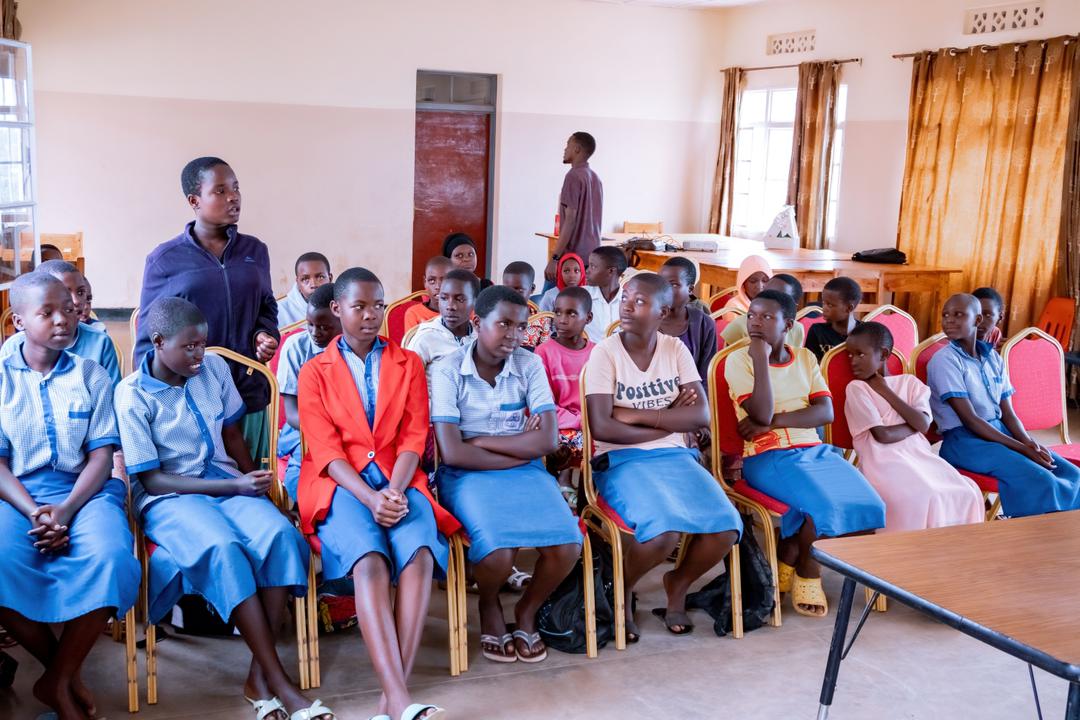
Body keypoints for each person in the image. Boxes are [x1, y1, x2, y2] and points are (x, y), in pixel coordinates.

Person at [116, 297, 331, 720]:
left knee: (279, 535)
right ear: (158, 342)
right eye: (189, 347)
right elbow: (152, 479)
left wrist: (257, 488)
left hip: (225, 479)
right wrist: (232, 484)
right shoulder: (131, 395)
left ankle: (258, 677)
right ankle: (282, 684)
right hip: (169, 496)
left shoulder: (213, 369)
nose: (200, 355)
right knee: (224, 548)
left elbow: (232, 435)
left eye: (203, 344)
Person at [297, 268, 453, 720]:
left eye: (378, 306)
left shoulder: (407, 363)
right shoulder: (315, 372)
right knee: (370, 562)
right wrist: (370, 498)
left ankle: (393, 698)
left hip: (400, 480)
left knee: (419, 553)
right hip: (340, 483)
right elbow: (324, 450)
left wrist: (395, 489)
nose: (371, 316)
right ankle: (401, 699)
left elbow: (413, 436)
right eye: (360, 306)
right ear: (337, 309)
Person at [0, 273, 140, 720]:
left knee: (114, 560)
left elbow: (102, 455)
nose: (64, 319)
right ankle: (62, 674)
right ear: (19, 321)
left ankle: (56, 681)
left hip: (85, 491)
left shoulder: (91, 374)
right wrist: (35, 512)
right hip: (16, 494)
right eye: (47, 312)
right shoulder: (2, 380)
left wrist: (64, 511)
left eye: (69, 307)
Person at [585, 273, 742, 639]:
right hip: (621, 460)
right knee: (662, 534)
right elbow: (603, 428)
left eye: (639, 301)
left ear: (663, 311)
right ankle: (621, 588)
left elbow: (700, 416)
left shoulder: (675, 350)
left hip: (675, 458)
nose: (626, 305)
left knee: (725, 527)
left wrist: (636, 414)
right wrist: (670, 418)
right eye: (625, 298)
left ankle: (678, 583)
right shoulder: (605, 353)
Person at [431, 286, 581, 664]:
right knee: (498, 552)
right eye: (504, 324)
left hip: (523, 471)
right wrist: (518, 445)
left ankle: (527, 610)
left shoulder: (529, 365)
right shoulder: (448, 370)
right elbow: (451, 452)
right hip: (465, 476)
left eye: (520, 326)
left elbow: (547, 440)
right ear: (478, 323)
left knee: (567, 546)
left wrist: (481, 441)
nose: (513, 335)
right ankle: (490, 603)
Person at [726, 289, 884, 617]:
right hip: (767, 456)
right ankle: (808, 574)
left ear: (788, 324)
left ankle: (789, 553)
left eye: (767, 317)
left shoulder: (806, 358)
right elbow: (759, 413)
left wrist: (773, 421)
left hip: (813, 450)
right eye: (752, 315)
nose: (755, 322)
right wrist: (759, 358)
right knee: (821, 505)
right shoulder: (739, 360)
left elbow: (824, 413)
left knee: (870, 504)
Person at [135, 157, 280, 460]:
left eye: (236, 188)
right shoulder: (165, 259)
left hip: (248, 387)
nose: (233, 197)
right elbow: (149, 336)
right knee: (201, 483)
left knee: (252, 481)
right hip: (191, 396)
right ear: (194, 200)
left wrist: (265, 334)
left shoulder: (256, 251)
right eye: (220, 190)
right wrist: (156, 400)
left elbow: (266, 306)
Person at [928, 294, 1080, 518]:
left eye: (958, 314)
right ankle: (1034, 536)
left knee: (1072, 474)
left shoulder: (993, 359)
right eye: (946, 315)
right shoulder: (944, 360)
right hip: (966, 442)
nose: (949, 320)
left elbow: (1008, 413)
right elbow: (971, 420)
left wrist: (1030, 443)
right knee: (1040, 479)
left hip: (999, 432)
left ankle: (1061, 534)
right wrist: (1021, 448)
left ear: (977, 319)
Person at [844, 322, 983, 531]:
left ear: (883, 354)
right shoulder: (857, 388)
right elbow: (882, 435)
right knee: (927, 494)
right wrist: (914, 425)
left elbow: (923, 423)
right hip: (884, 462)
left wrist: (885, 391)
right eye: (850, 355)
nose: (853, 361)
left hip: (919, 455)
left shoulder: (910, 383)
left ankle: (954, 553)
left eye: (860, 354)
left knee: (967, 490)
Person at [1, 261, 121, 385]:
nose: (76, 301)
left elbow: (112, 397)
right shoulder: (14, 347)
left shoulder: (100, 343)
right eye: (66, 292)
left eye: (81, 292)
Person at [277, 284, 341, 502]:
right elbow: (292, 413)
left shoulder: (354, 349)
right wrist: (326, 432)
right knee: (301, 477)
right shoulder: (296, 347)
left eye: (324, 327)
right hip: (303, 430)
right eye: (310, 324)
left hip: (348, 431)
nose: (315, 332)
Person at [535, 286, 594, 501]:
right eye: (558, 312)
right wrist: (580, 421)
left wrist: (588, 420)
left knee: (609, 441)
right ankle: (563, 479)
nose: (562, 319)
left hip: (590, 422)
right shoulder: (544, 353)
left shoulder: (597, 353)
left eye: (571, 313)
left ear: (588, 318)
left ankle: (594, 494)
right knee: (567, 442)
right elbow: (545, 405)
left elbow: (601, 399)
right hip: (558, 423)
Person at [544, 132, 603, 291]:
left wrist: (555, 259)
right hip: (592, 257)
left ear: (577, 149)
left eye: (568, 145)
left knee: (549, 301)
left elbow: (570, 220)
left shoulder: (573, 176)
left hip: (573, 258)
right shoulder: (596, 178)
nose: (565, 149)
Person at [405, 269, 479, 384]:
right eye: (444, 298)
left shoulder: (481, 337)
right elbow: (408, 384)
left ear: (475, 302)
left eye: (460, 299)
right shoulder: (425, 339)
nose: (450, 306)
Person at [659, 257, 717, 383]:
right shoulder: (646, 320)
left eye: (673, 284)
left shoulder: (704, 324)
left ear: (690, 289)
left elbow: (706, 376)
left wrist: (696, 399)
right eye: (662, 283)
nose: (665, 290)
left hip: (691, 396)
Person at [720, 273, 805, 349]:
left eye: (779, 298)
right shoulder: (739, 326)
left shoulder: (797, 329)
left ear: (793, 305)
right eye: (766, 293)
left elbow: (795, 364)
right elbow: (725, 364)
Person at [806, 276, 862, 361]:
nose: (824, 308)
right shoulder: (817, 331)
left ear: (849, 308)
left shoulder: (865, 333)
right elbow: (809, 365)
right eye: (823, 303)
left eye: (830, 305)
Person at [277, 252, 333, 329]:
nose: (313, 285)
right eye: (305, 279)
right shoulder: (279, 311)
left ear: (330, 278)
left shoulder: (344, 303)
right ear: (298, 282)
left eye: (320, 277)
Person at [583, 246, 627, 341]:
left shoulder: (628, 301)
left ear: (611, 271)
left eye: (593, 266)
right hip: (588, 354)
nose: (587, 270)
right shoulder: (581, 296)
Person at [403, 256, 453, 334]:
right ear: (425, 282)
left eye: (444, 280)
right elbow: (411, 345)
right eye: (432, 281)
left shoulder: (465, 311)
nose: (438, 287)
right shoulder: (414, 313)